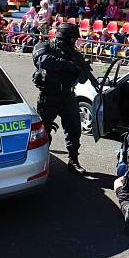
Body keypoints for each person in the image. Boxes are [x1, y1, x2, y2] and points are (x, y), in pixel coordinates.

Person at [32, 23, 88, 175]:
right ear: (65, 37)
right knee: (43, 132)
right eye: (72, 39)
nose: (74, 42)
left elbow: (83, 78)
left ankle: (73, 161)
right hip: (49, 96)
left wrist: (81, 68)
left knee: (74, 129)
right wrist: (68, 65)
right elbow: (42, 60)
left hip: (68, 96)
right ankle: (41, 161)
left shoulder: (75, 54)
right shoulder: (45, 46)